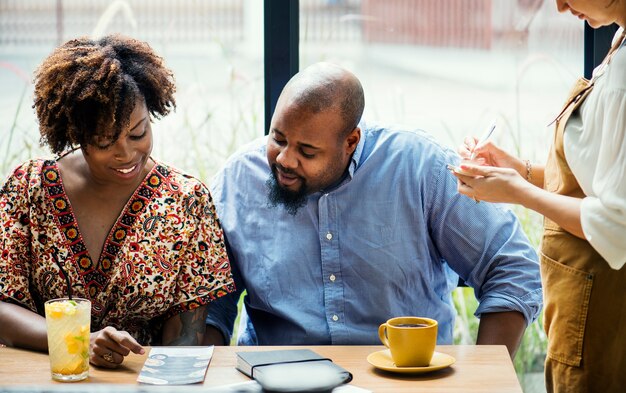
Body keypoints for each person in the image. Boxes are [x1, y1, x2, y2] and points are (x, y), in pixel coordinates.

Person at [204, 62, 542, 358]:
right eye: (278, 139)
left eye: (307, 151)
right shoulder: (238, 180)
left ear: (351, 141)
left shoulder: (422, 168)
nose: (285, 160)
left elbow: (511, 266)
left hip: (407, 383)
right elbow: (208, 301)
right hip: (276, 382)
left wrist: (481, 379)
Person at [0, 34, 235, 368]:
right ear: (76, 133)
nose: (126, 153)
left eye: (138, 133)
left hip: (144, 381)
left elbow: (187, 333)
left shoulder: (186, 201)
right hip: (46, 378)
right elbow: (3, 308)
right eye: (104, 140)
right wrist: (80, 341)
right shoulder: (29, 189)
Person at [450, 1, 626, 391]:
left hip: (603, 310)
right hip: (581, 305)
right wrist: (518, 168)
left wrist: (519, 193)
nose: (561, 7)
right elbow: (597, 179)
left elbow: (616, 224)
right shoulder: (619, 40)